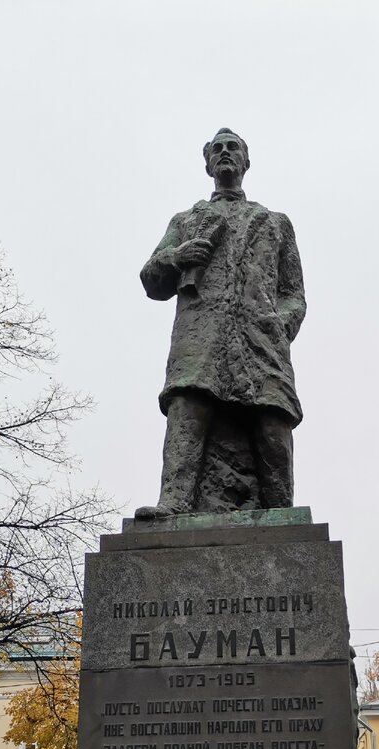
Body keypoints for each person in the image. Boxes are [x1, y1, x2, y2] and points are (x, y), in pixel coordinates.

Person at [136, 129, 306, 518]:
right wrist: (177, 257)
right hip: (201, 339)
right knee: (188, 409)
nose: (225, 153)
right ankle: (174, 503)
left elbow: (294, 293)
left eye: (233, 148)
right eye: (218, 149)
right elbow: (151, 280)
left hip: (260, 341)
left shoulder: (274, 223)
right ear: (208, 163)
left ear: (246, 162)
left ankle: (280, 514)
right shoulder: (186, 220)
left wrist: (280, 326)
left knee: (271, 422)